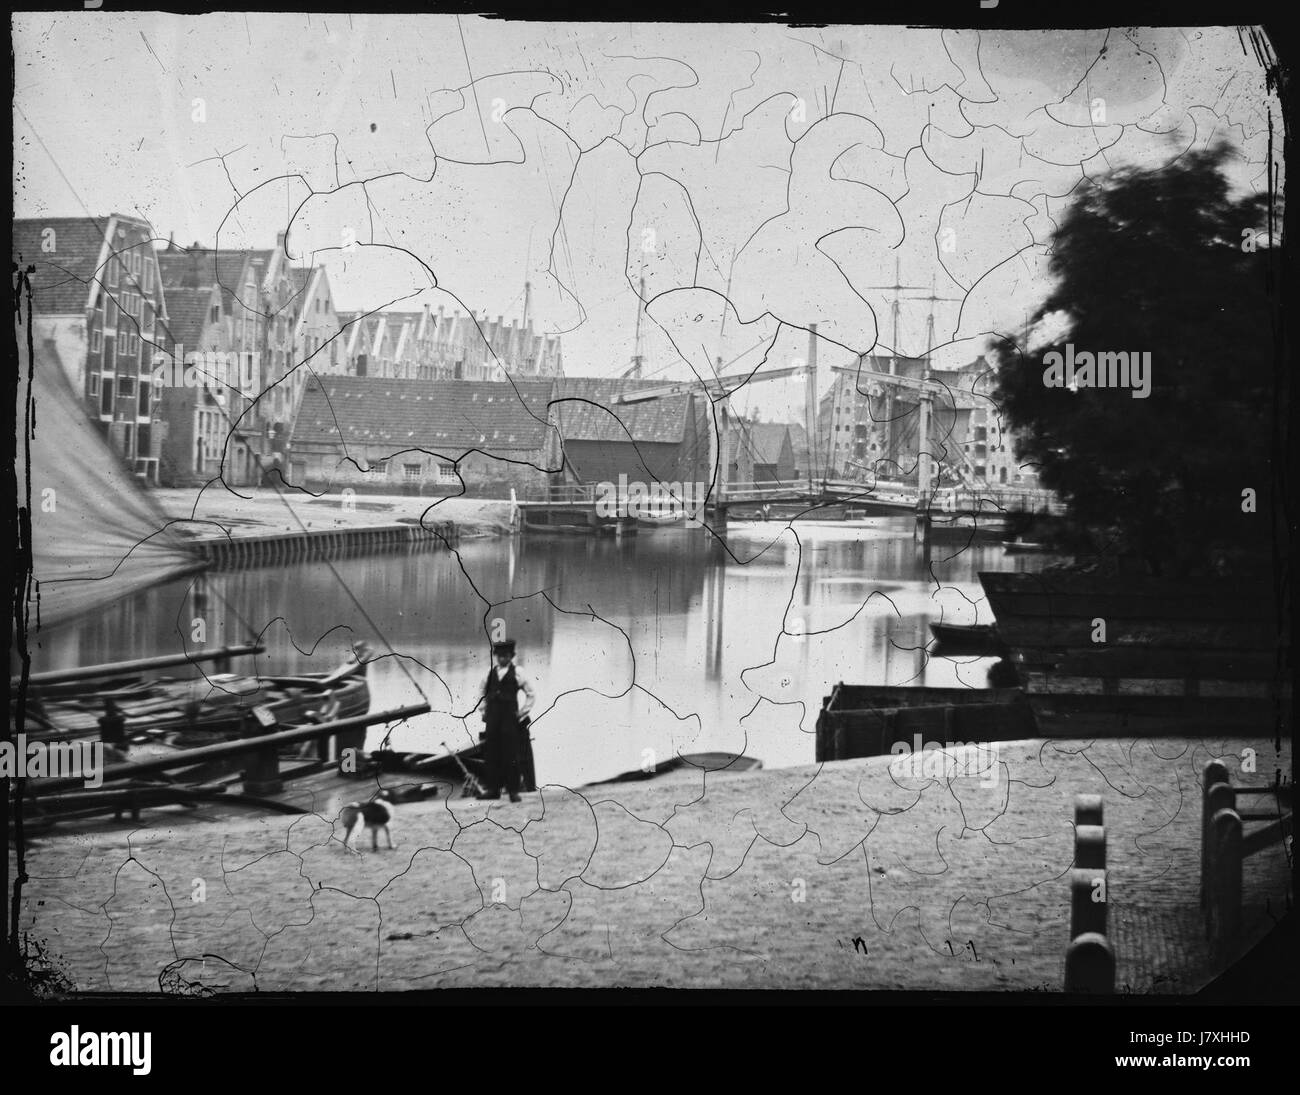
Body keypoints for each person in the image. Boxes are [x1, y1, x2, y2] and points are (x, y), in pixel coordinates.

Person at [477, 639, 536, 802]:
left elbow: (531, 694)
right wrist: (483, 710)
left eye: (506, 656)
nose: (502, 659)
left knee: (511, 754)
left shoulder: (518, 672)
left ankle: (513, 791)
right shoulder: (489, 673)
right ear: (496, 656)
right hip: (493, 718)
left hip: (510, 719)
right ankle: (493, 790)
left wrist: (522, 713)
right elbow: (481, 691)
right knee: (492, 754)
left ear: (511, 656)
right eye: (500, 656)